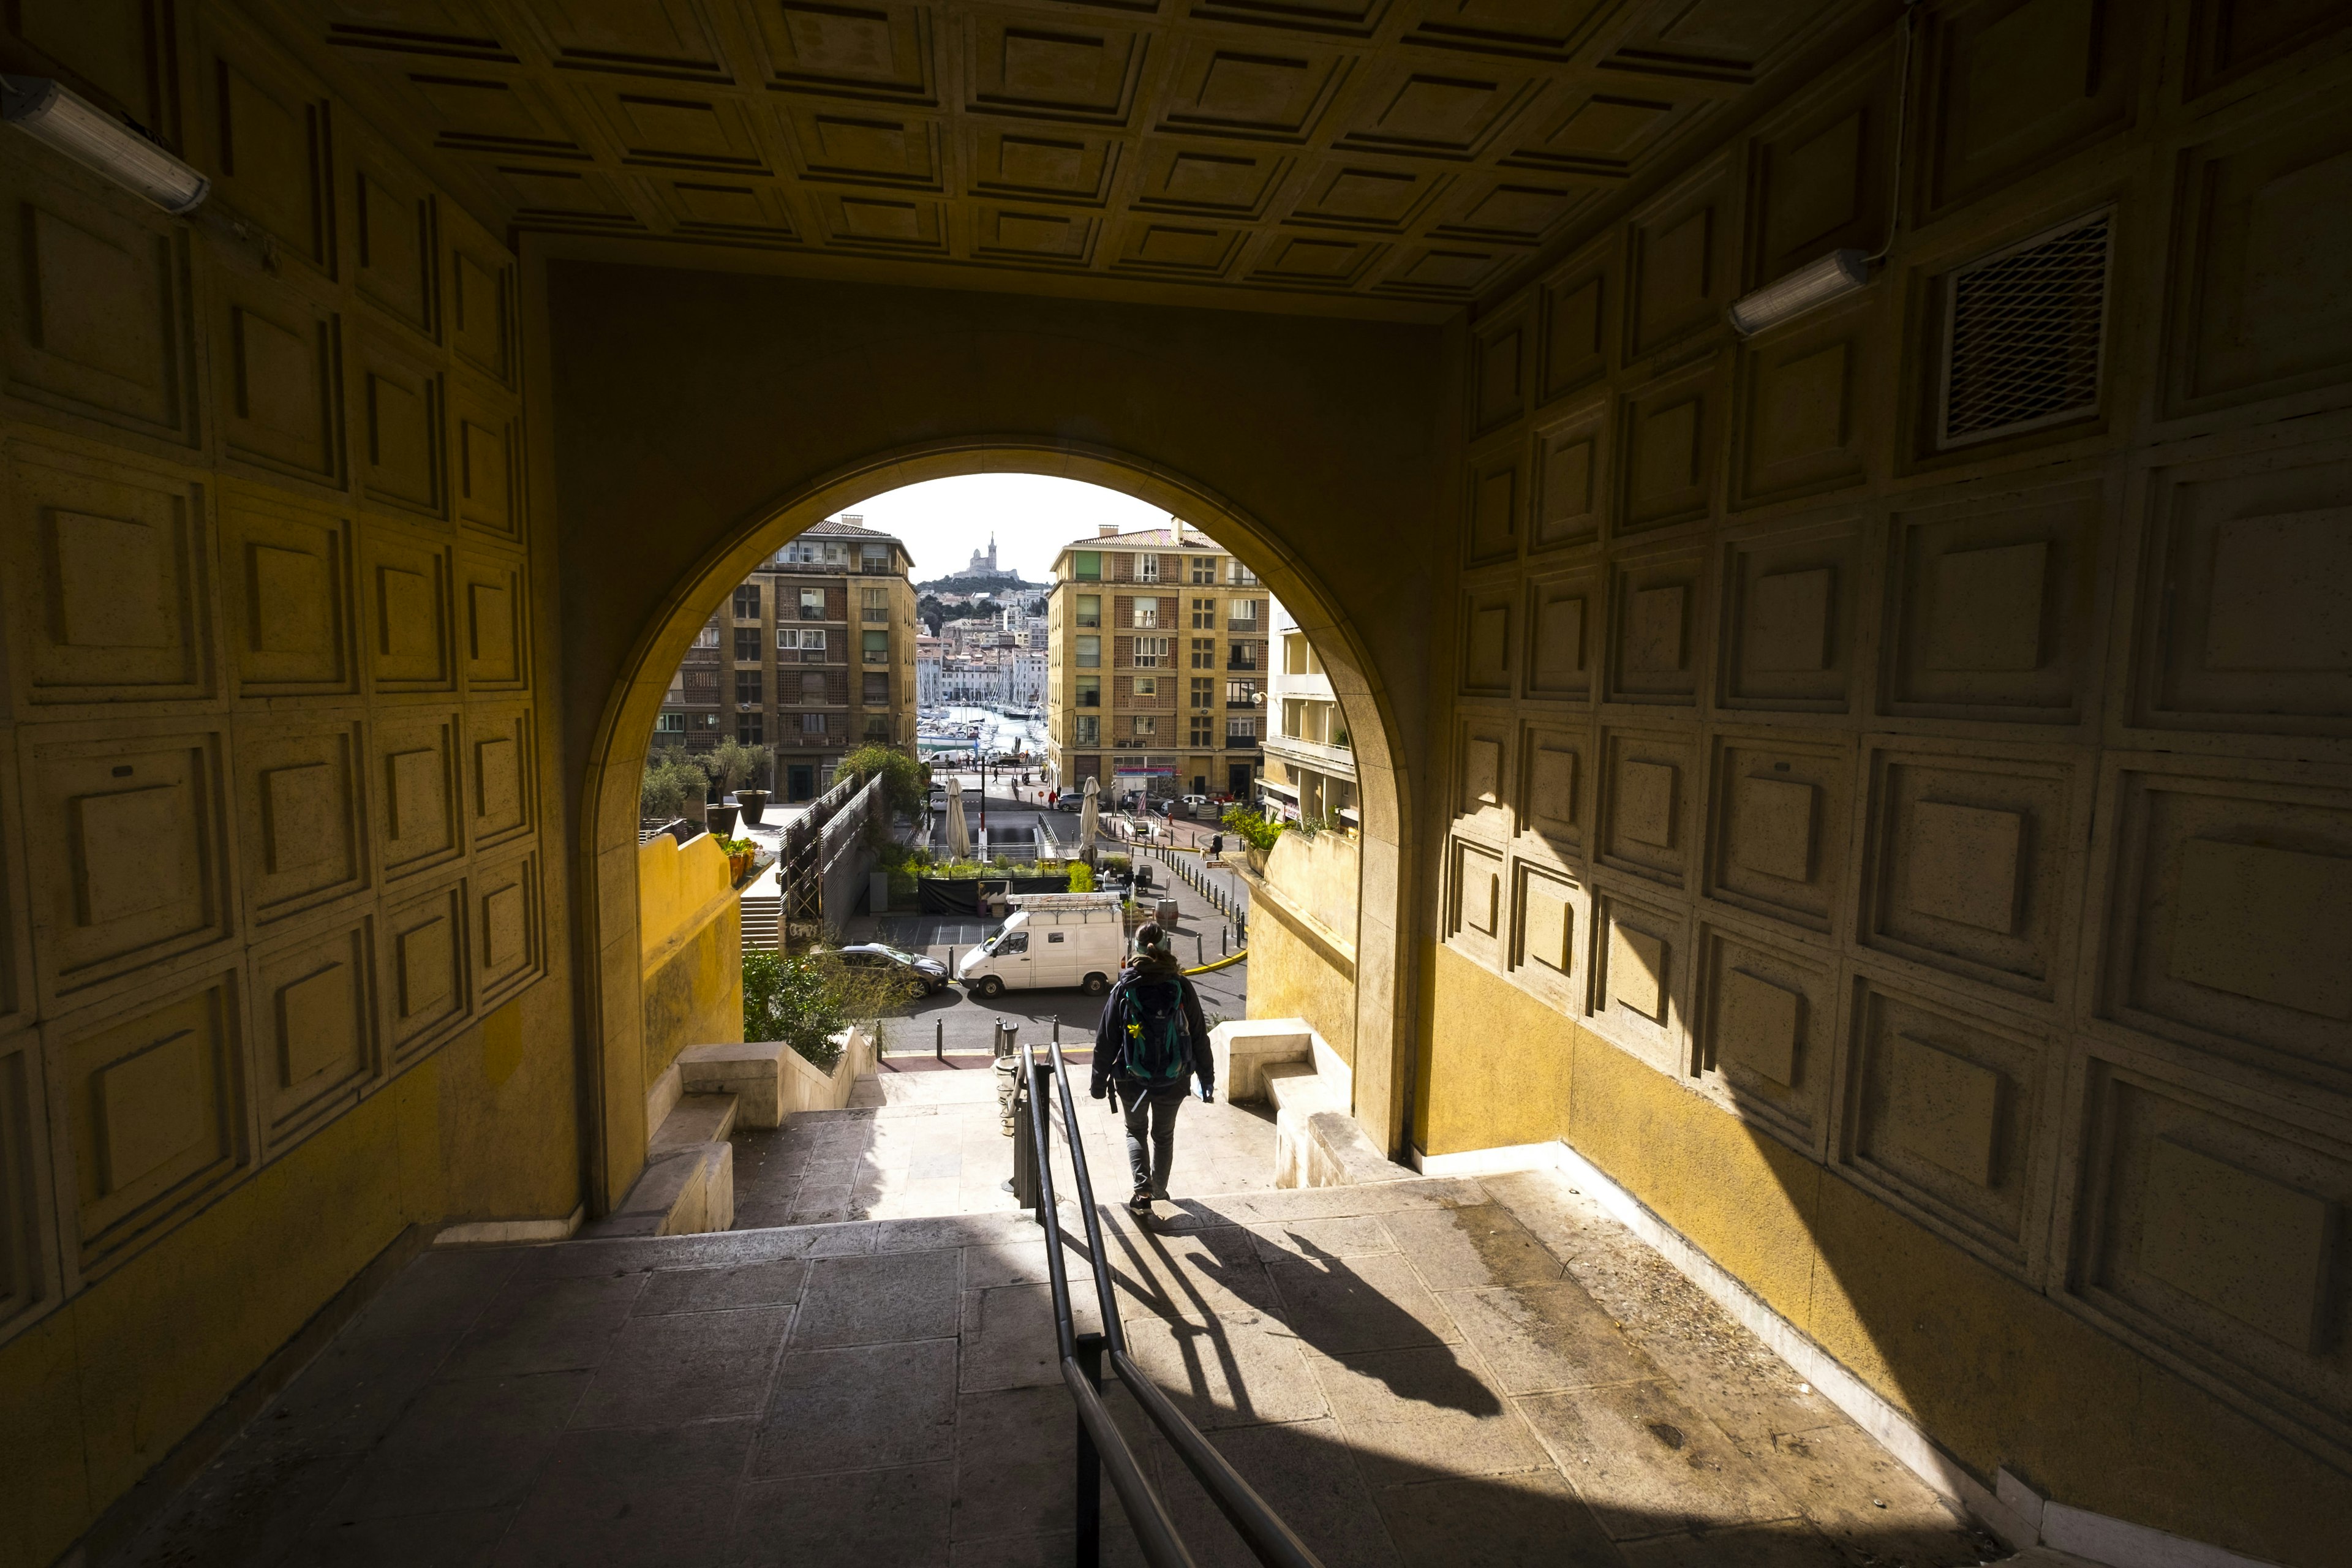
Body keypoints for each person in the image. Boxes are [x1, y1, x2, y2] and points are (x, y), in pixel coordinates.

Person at [1091, 922, 1213, 1213]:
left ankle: (1142, 1193)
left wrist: (1098, 1083)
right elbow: (1198, 1034)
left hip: (1133, 1081)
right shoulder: (1181, 985)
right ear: (1164, 947)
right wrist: (1207, 1077)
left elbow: (1106, 1039)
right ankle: (1159, 1191)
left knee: (1135, 1132)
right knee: (1164, 1136)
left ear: (1135, 948)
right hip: (1174, 1080)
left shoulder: (1125, 987)